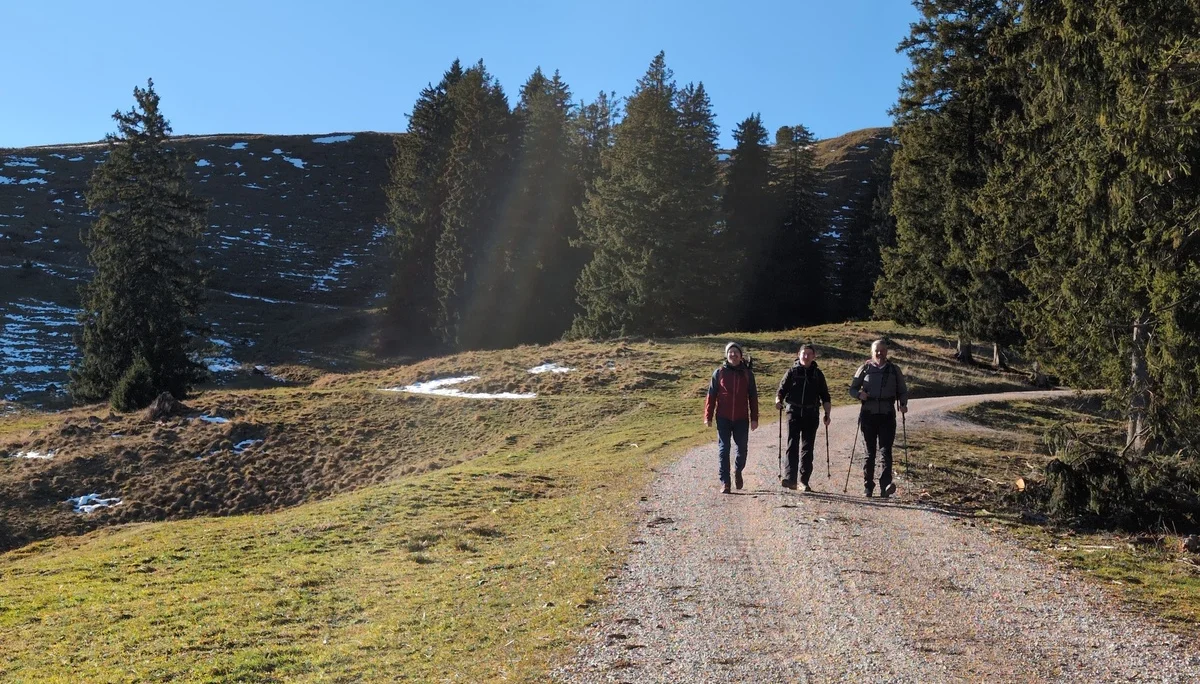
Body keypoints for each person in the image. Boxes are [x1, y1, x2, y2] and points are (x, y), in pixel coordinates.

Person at [848, 338, 909, 498]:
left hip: (888, 414)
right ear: (872, 352)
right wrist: (859, 394)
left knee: (886, 451)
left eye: (882, 350)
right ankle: (868, 487)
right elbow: (852, 389)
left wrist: (903, 404)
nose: (879, 353)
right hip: (868, 414)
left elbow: (902, 390)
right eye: (877, 351)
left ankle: (885, 486)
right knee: (870, 453)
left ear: (887, 352)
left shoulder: (894, 370)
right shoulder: (864, 369)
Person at [774, 343, 831, 492]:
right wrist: (778, 401)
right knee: (792, 445)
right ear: (798, 354)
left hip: (811, 414)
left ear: (814, 356)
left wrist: (827, 414)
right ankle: (790, 478)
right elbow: (781, 390)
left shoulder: (818, 374)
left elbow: (825, 396)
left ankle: (803, 481)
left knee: (807, 448)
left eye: (809, 354)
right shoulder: (792, 372)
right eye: (803, 354)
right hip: (793, 412)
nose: (806, 356)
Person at [704, 342, 759, 494]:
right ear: (726, 355)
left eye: (736, 352)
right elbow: (711, 395)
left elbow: (753, 397)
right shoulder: (719, 372)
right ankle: (725, 483)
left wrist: (754, 418)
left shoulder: (748, 374)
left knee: (742, 449)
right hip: (723, 417)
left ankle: (738, 470)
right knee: (724, 449)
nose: (733, 355)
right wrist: (707, 416)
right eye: (730, 352)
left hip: (742, 418)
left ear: (741, 356)